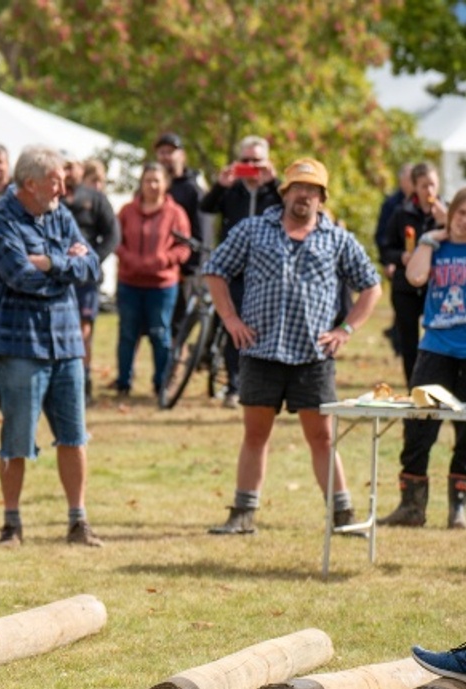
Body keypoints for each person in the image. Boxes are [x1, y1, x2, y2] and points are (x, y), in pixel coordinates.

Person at [202, 158, 382, 535]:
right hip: (260, 350)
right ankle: (243, 513)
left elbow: (372, 285)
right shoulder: (253, 230)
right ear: (284, 192)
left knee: (323, 437)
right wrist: (231, 319)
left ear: (321, 198)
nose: (304, 195)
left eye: (312, 190)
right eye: (298, 187)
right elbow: (215, 270)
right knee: (255, 435)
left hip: (313, 356)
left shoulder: (337, 239)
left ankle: (342, 516)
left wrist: (346, 329)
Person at [0, 145, 103, 548]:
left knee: (74, 436)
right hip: (19, 344)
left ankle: (78, 522)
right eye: (55, 180)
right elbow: (18, 276)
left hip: (66, 344)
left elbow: (94, 268)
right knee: (16, 439)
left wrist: (49, 263)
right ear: (30, 183)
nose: (63, 188)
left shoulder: (60, 214)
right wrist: (65, 264)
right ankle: (11, 525)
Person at [377, 187, 466, 528]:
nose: (463, 222)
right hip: (436, 348)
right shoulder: (436, 246)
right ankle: (411, 507)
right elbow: (415, 276)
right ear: (450, 212)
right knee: (418, 425)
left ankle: (458, 507)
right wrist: (428, 239)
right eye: (460, 213)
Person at [201, 135, 282, 408]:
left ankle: (265, 385)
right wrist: (220, 185)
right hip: (234, 271)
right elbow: (206, 207)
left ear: (267, 162)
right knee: (234, 327)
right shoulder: (232, 190)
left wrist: (275, 183)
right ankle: (234, 387)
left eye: (256, 161)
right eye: (245, 161)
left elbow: (293, 211)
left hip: (267, 273)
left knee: (266, 329)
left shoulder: (276, 193)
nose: (250, 166)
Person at [112, 164, 191, 398]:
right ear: (141, 183)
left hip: (162, 285)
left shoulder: (175, 214)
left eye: (157, 180)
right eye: (148, 180)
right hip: (130, 283)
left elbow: (184, 246)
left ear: (165, 184)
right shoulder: (127, 211)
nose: (152, 185)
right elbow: (115, 239)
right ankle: (123, 382)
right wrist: (129, 258)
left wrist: (163, 259)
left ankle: (161, 382)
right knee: (127, 333)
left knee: (160, 333)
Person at [380, 162, 447, 386]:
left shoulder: (447, 213)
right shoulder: (402, 213)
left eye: (433, 185)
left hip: (436, 288)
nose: (429, 191)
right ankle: (414, 388)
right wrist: (401, 258)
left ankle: (439, 386)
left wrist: (444, 223)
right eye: (424, 185)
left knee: (436, 341)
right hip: (405, 288)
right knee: (409, 344)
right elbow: (386, 248)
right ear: (414, 187)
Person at [63, 157, 119, 402]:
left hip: (85, 278)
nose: (67, 171)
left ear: (80, 169)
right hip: (56, 276)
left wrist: (93, 260)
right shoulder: (49, 198)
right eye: (62, 166)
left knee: (84, 330)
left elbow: (113, 234)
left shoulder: (95, 198)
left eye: (71, 165)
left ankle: (83, 381)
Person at [154, 133, 208, 332]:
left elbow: (202, 230)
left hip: (183, 269)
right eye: (162, 152)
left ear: (182, 155)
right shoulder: (152, 185)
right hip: (155, 268)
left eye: (170, 152)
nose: (166, 156)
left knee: (179, 326)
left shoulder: (193, 188)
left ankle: (177, 362)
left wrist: (192, 268)